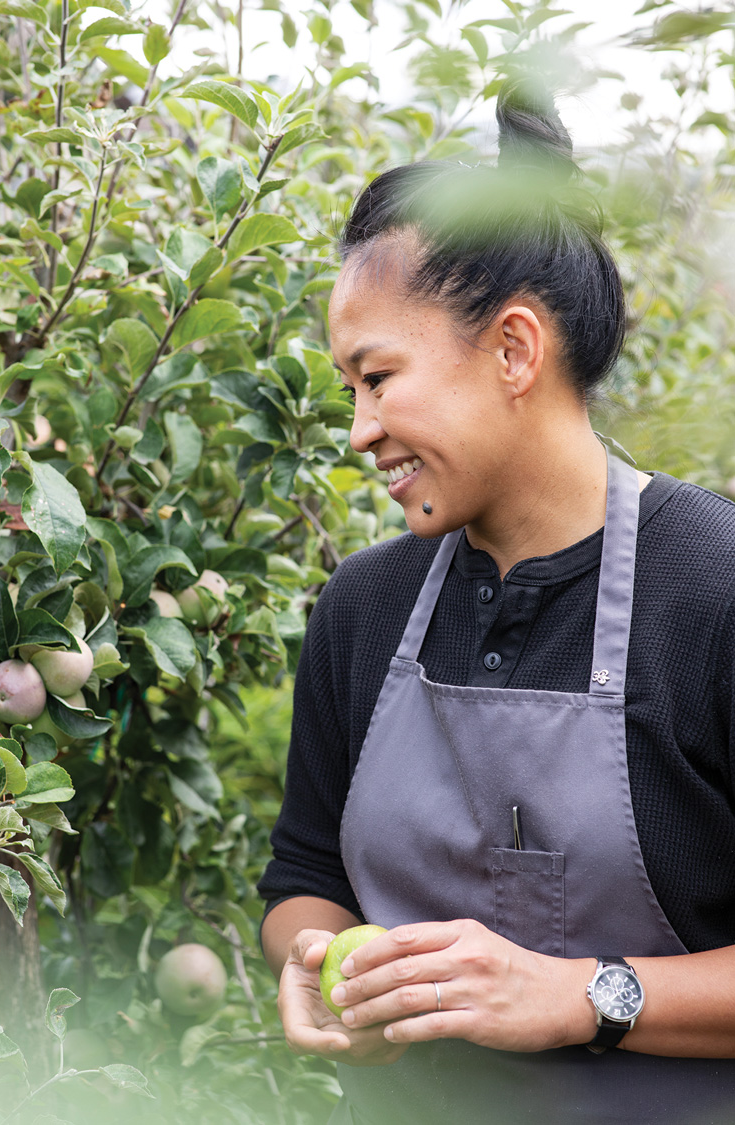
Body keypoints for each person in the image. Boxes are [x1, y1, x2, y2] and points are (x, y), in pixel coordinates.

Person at [258, 80, 735, 1124]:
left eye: (378, 378)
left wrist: (583, 994)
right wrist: (313, 954)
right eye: (348, 388)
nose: (357, 430)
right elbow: (304, 871)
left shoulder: (713, 589)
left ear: (514, 350)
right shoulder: (364, 608)